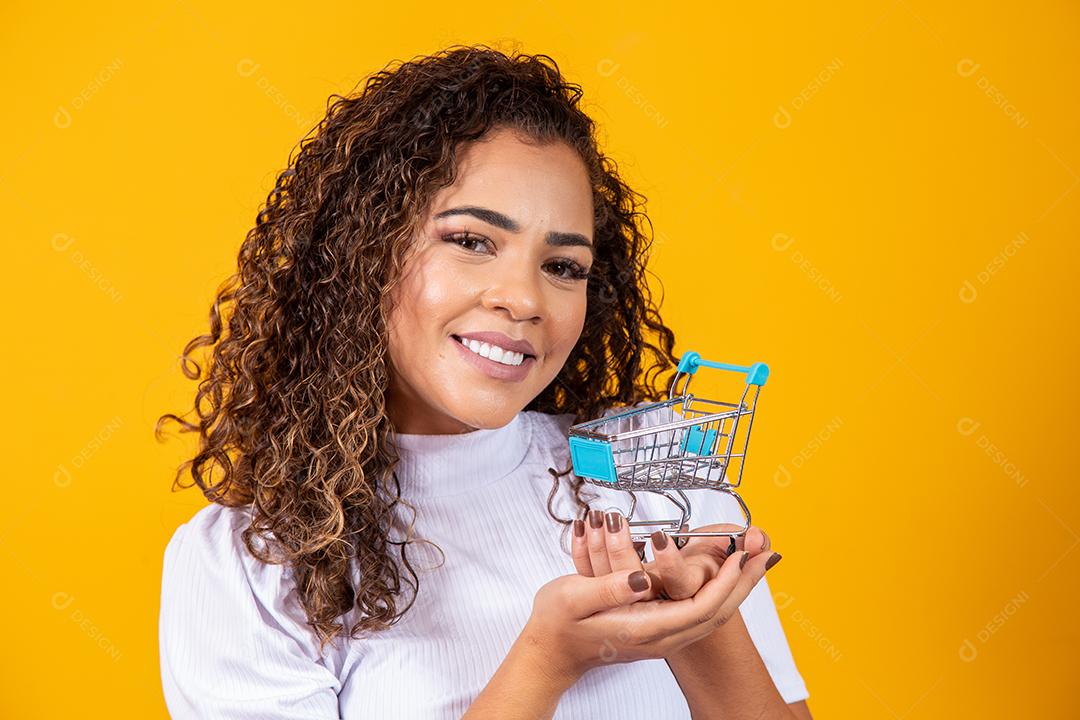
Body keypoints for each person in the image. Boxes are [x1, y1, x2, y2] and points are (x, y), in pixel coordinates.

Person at [157, 44, 812, 719]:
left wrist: (700, 625)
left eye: (563, 266)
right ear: (363, 255)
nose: (524, 299)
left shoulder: (654, 474)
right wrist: (546, 662)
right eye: (471, 241)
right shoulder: (251, 565)